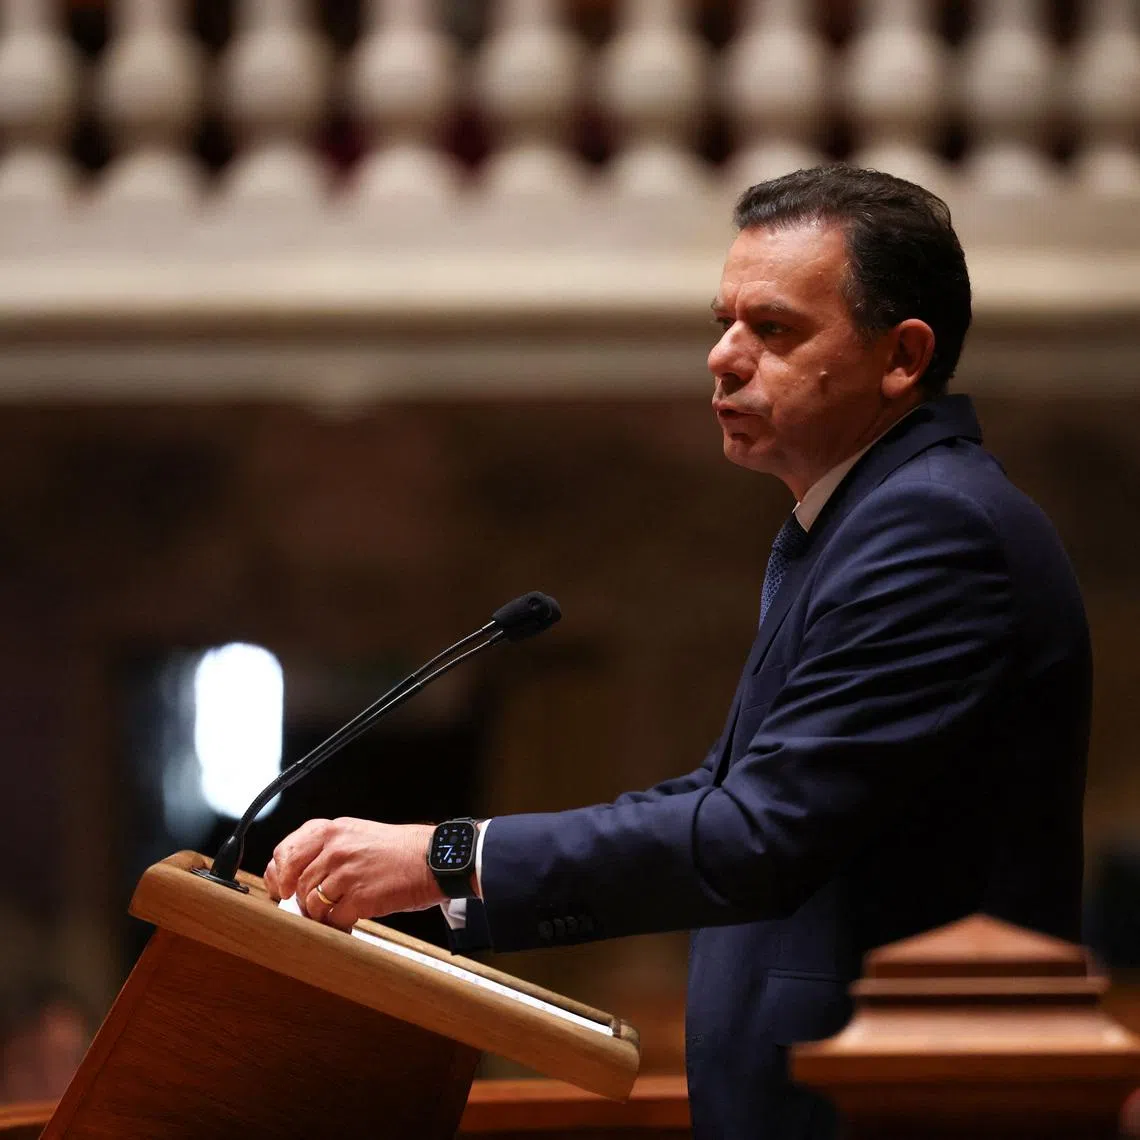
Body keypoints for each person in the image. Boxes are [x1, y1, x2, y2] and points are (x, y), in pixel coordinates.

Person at [264, 165, 1091, 1140]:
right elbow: (724, 794)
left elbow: (756, 834)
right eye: (724, 321)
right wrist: (437, 879)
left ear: (903, 356)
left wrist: (446, 858)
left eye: (772, 328)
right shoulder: (865, 521)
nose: (723, 357)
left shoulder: (934, 531)